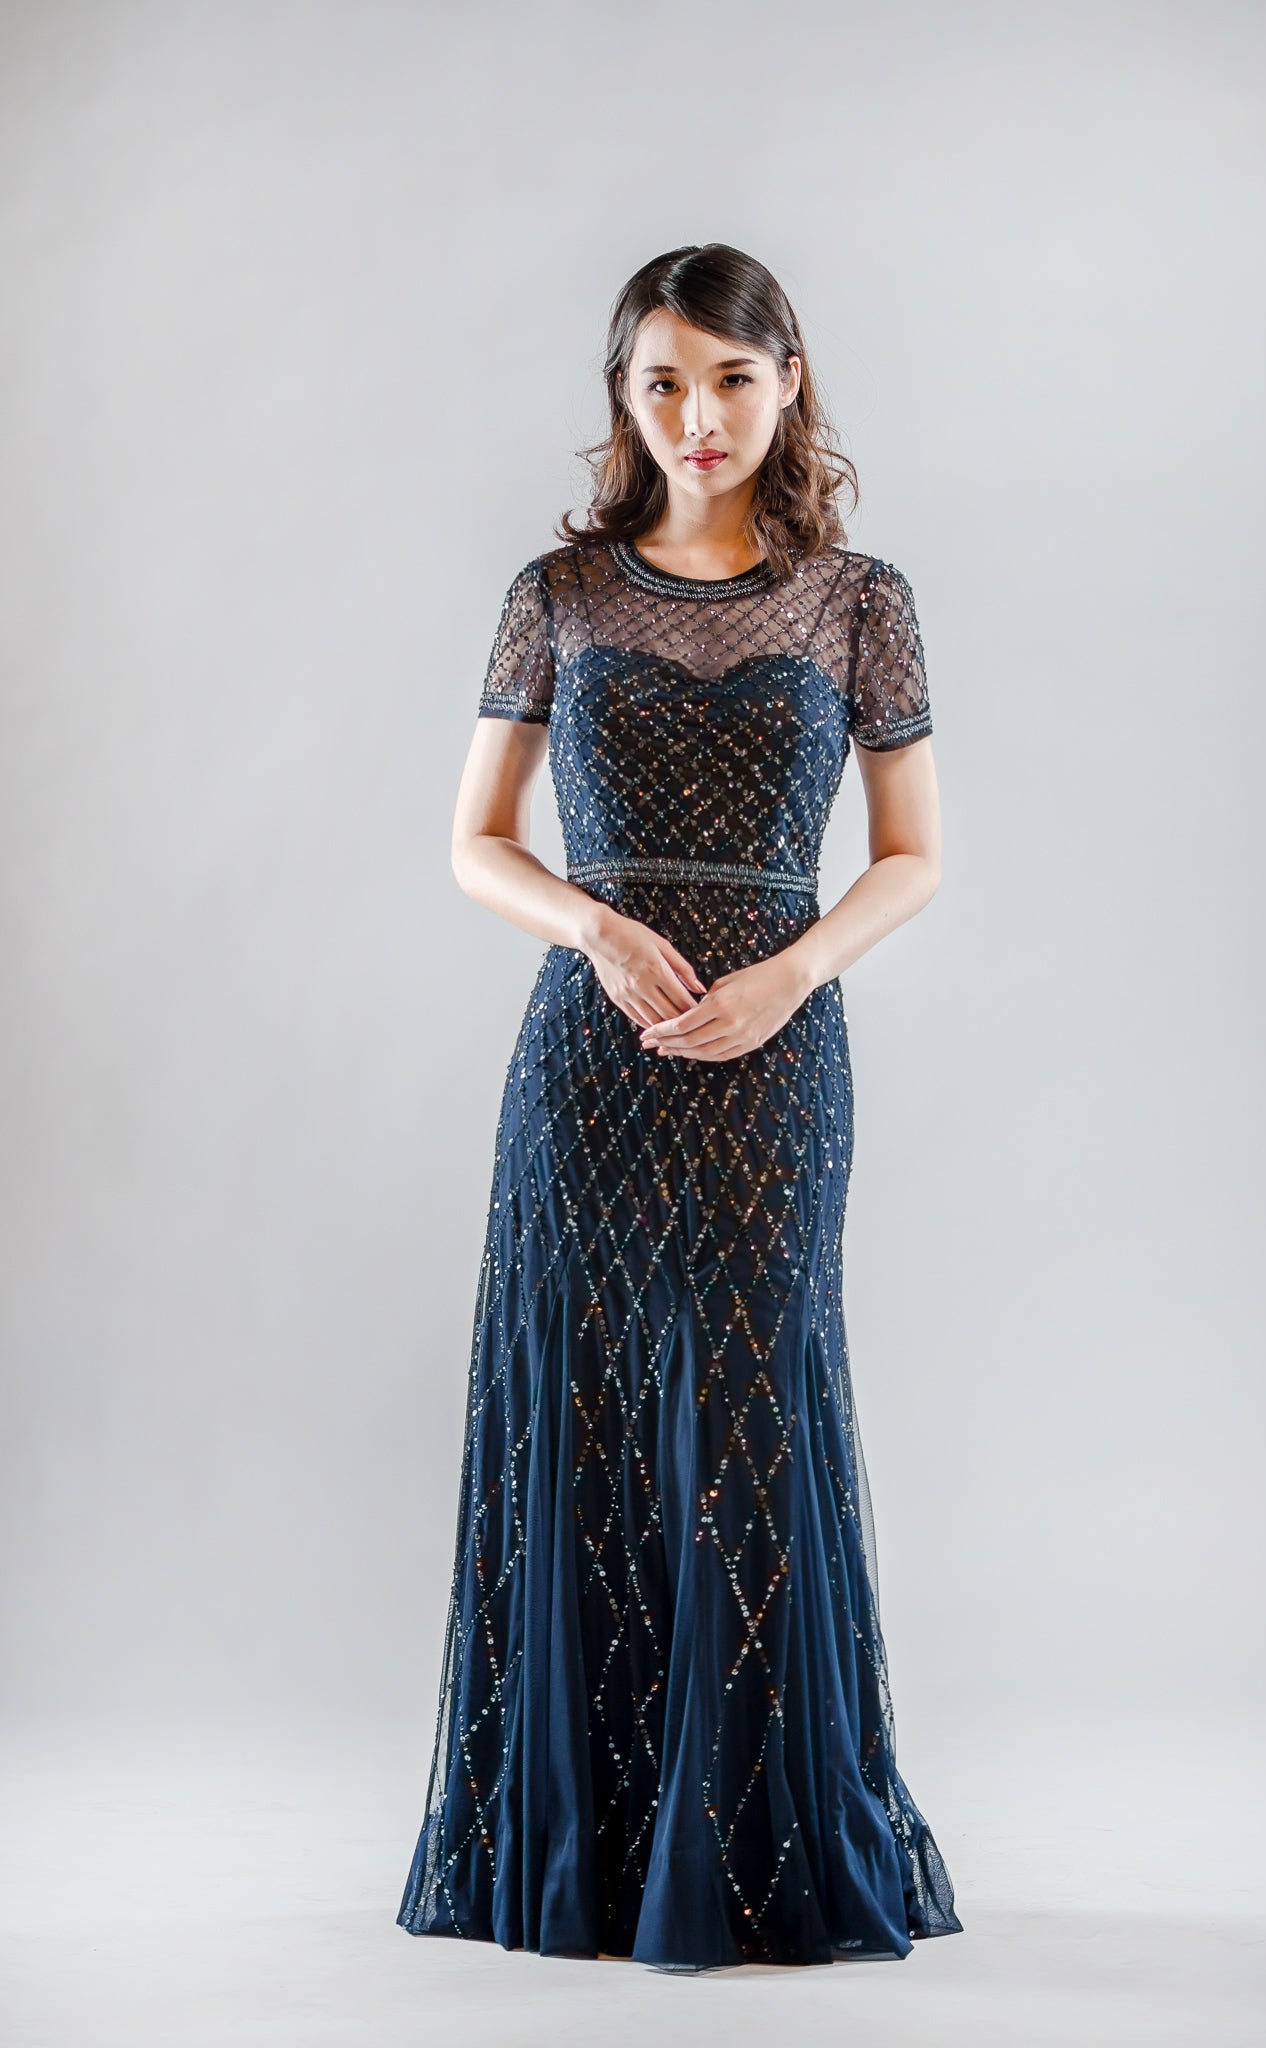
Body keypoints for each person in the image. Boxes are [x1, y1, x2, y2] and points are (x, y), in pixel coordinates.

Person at [396, 242, 964, 1973]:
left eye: (729, 378)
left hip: (779, 1058)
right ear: (625, 399)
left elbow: (913, 857)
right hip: (594, 1061)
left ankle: (759, 1848)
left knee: (752, 1414)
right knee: (581, 1410)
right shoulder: (558, 594)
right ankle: (587, 1853)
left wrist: (794, 973)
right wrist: (590, 924)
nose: (697, 415)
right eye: (662, 383)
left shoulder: (859, 599)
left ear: (788, 382)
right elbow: (474, 840)